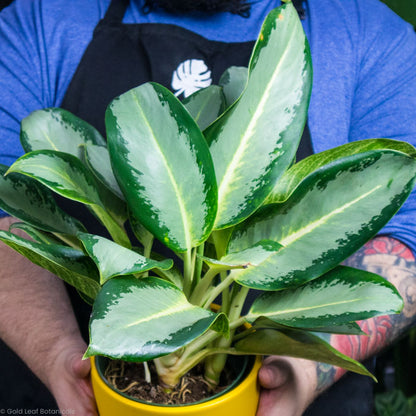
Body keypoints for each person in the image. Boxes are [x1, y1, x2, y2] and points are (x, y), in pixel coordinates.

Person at [0, 0, 416, 415]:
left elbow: (406, 234)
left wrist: (302, 369)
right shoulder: (40, 19)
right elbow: (9, 207)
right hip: (74, 384)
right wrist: (57, 352)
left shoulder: (370, 35)